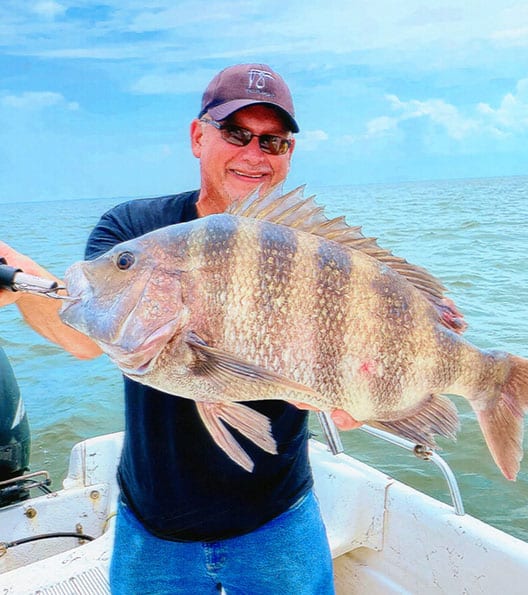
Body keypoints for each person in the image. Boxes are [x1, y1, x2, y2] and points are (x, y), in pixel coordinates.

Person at [0, 63, 360, 594]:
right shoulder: (136, 232)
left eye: (274, 141)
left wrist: (358, 398)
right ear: (198, 136)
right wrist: (19, 272)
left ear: (288, 154)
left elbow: (353, 380)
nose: (254, 154)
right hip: (153, 532)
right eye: (236, 133)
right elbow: (84, 336)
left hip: (280, 521)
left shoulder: (312, 255)